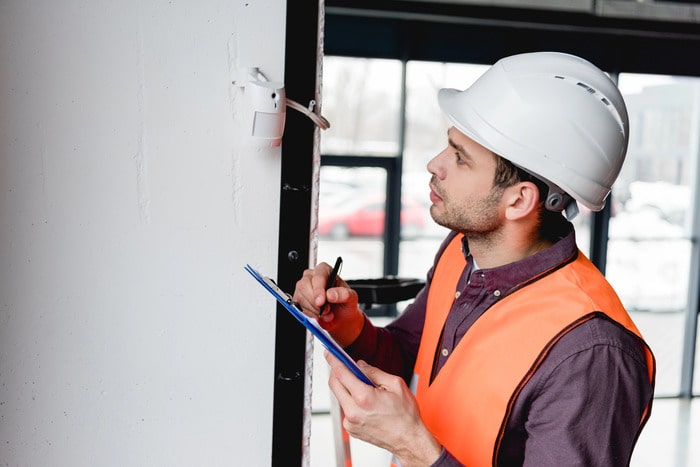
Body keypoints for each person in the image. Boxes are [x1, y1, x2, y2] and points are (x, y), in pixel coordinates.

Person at [293, 51, 655, 466]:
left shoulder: (591, 355)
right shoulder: (461, 253)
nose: (435, 164)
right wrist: (350, 327)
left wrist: (415, 448)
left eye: (460, 157)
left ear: (519, 200)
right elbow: (411, 351)